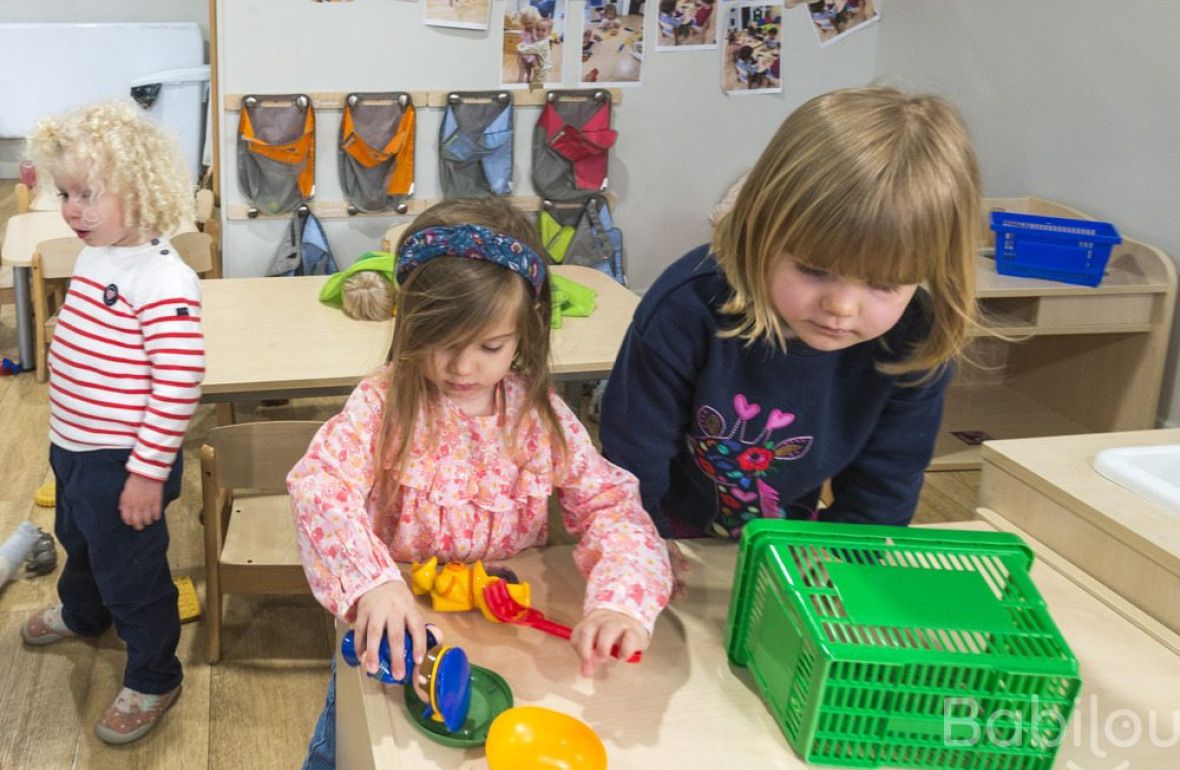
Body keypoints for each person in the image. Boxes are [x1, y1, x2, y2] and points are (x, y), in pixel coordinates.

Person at [289, 197, 672, 769]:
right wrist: (373, 583)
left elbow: (612, 506)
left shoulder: (538, 416)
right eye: (442, 343)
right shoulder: (381, 404)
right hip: (404, 626)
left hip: (504, 632)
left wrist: (621, 601)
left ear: (526, 333)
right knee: (349, 748)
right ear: (410, 324)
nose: (463, 368)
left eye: (490, 347)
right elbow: (319, 486)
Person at [600, 86, 981, 546]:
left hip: (790, 535)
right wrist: (644, 554)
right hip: (668, 531)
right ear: (760, 229)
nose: (841, 307)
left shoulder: (915, 339)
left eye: (883, 284)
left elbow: (882, 493)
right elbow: (631, 461)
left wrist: (845, 573)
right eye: (813, 270)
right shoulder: (687, 305)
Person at [21, 101, 203, 744]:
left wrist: (147, 475)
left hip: (125, 462)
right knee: (78, 538)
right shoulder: (99, 251)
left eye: (89, 194)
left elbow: (179, 385)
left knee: (133, 571)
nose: (74, 209)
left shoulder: (163, 278)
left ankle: (154, 675)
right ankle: (83, 611)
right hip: (73, 448)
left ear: (141, 189)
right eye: (67, 192)